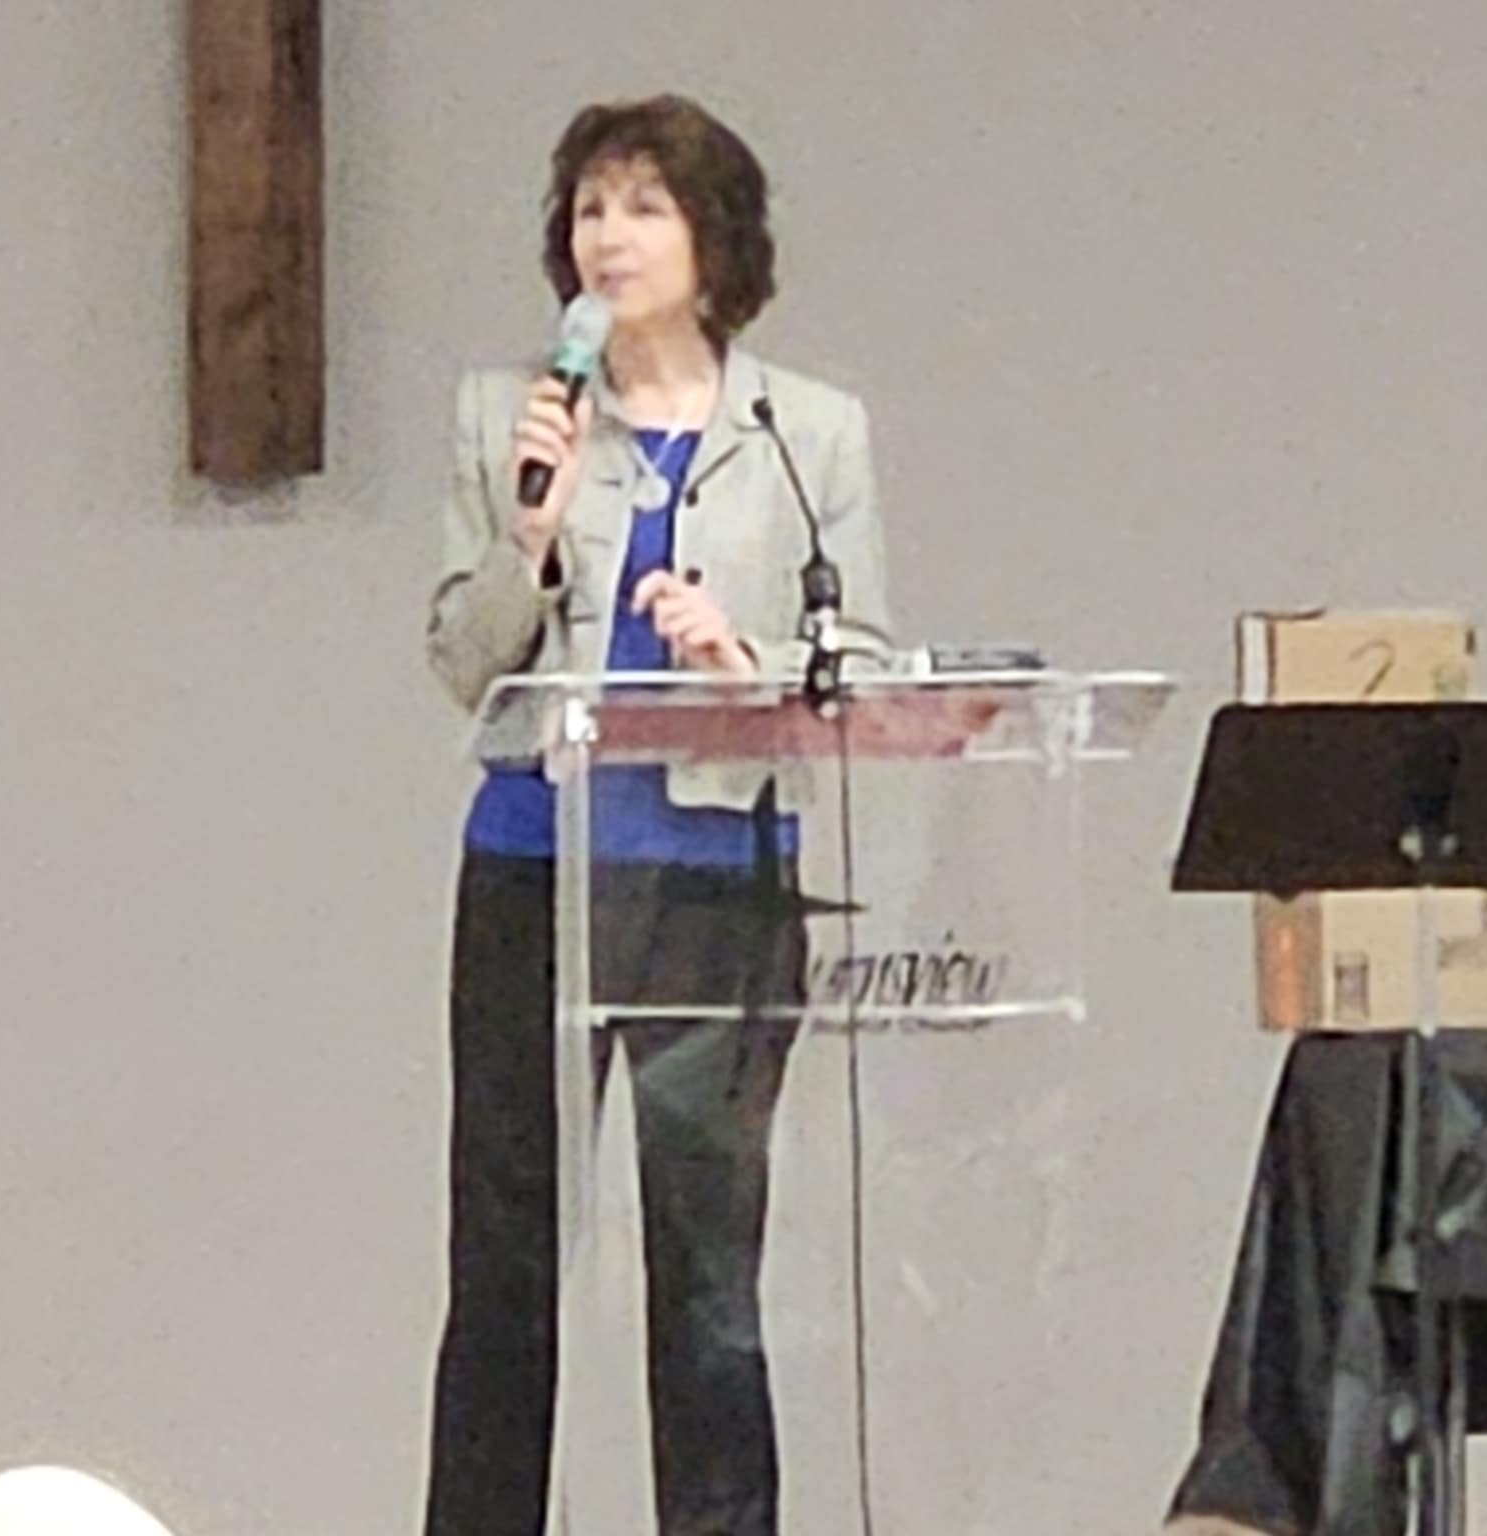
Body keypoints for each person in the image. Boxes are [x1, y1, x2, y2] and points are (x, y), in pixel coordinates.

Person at [421, 94, 893, 1536]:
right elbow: (462, 661)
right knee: (506, 1260)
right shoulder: (504, 414)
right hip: (537, 872)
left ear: (713, 237)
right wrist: (531, 538)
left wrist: (743, 655)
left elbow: (865, 664)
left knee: (707, 1273)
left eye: (643, 206)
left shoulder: (809, 432)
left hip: (716, 881)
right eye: (589, 208)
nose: (608, 237)